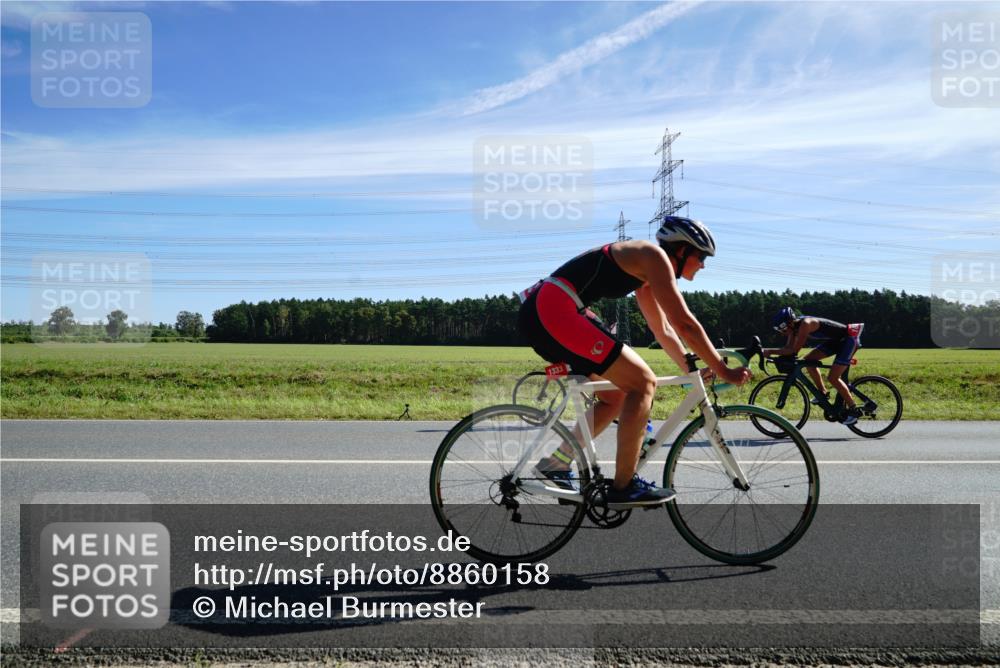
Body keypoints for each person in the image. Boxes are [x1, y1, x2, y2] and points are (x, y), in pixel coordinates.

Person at [517, 216, 751, 508]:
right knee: (643, 383)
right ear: (681, 251)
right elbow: (685, 324)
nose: (703, 264)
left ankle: (556, 463)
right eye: (701, 256)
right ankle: (623, 487)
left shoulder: (646, 272)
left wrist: (690, 368)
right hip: (554, 309)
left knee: (615, 396)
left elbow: (663, 329)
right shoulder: (654, 257)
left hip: (552, 310)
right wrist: (723, 369)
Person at [765, 307, 865, 425]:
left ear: (790, 322)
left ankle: (853, 410)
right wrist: (771, 353)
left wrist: (770, 351)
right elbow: (788, 348)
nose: (782, 332)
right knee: (809, 360)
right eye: (779, 329)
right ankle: (822, 392)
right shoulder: (793, 329)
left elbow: (794, 351)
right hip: (836, 341)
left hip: (848, 340)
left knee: (833, 378)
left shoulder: (805, 324)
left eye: (783, 328)